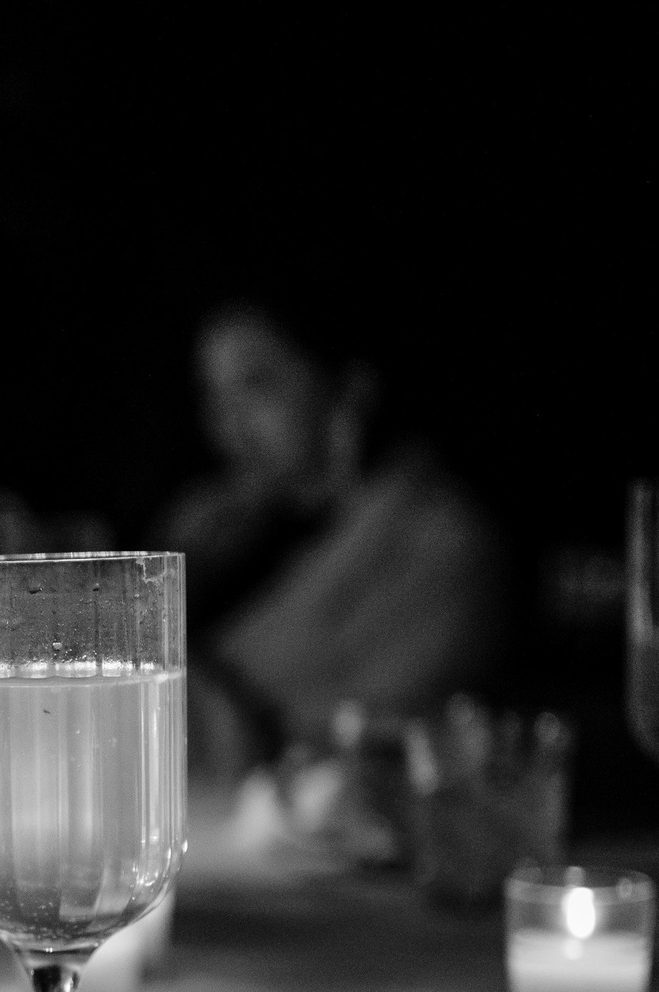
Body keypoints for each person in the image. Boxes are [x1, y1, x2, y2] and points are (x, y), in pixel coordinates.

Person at [160, 301, 508, 783]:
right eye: (214, 396)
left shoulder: (436, 544)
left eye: (258, 384)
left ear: (349, 387)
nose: (228, 423)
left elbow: (293, 732)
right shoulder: (221, 532)